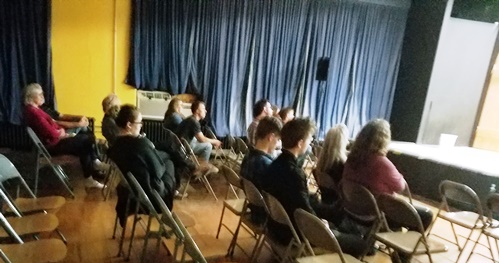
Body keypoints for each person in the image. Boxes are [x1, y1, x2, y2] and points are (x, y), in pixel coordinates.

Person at [261, 118, 367, 257]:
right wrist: (323, 225)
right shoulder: (294, 173)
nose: (310, 142)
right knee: (362, 245)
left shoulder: (274, 165)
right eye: (309, 139)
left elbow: (299, 202)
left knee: (337, 220)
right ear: (300, 143)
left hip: (276, 227)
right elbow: (304, 212)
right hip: (293, 235)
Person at [342, 119, 433, 230]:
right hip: (373, 216)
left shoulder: (351, 158)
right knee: (426, 215)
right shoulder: (382, 163)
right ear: (384, 141)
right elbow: (400, 186)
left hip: (351, 209)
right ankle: (405, 245)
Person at [23, 83, 106, 188]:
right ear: (31, 96)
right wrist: (62, 133)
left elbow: (54, 123)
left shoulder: (36, 110)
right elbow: (50, 132)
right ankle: (92, 168)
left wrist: (61, 131)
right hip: (52, 145)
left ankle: (90, 172)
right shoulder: (33, 113)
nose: (42, 96)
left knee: (84, 143)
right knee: (86, 140)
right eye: (39, 94)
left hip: (55, 140)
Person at [108, 105, 176, 226]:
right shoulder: (140, 143)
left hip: (132, 193)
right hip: (152, 198)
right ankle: (168, 212)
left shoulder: (115, 145)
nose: (141, 125)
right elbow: (159, 171)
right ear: (129, 125)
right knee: (170, 163)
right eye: (139, 122)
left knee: (167, 157)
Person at [240, 117, 282, 224]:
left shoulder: (247, 157)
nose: (278, 144)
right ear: (270, 137)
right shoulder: (267, 165)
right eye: (278, 140)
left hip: (254, 209)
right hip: (267, 217)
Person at [314, 124, 349, 204]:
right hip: (338, 208)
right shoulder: (341, 166)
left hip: (325, 202)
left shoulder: (322, 162)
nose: (347, 142)